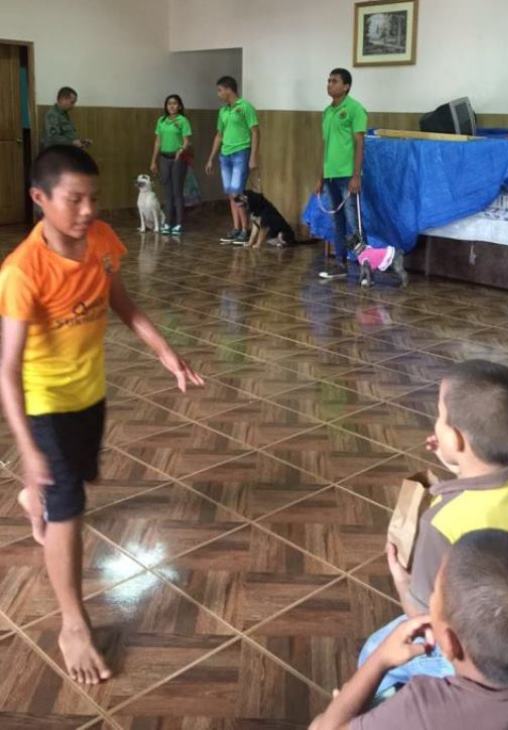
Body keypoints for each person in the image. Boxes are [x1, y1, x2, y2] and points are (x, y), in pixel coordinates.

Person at [0, 145, 204, 685]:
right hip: (45, 404)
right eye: (74, 199)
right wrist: (28, 449)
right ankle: (73, 624)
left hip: (90, 394)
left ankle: (35, 497)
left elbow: (123, 304)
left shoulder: (104, 243)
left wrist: (166, 353)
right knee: (69, 508)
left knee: (78, 481)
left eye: (92, 197)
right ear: (40, 198)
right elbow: (7, 369)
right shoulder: (21, 272)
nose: (88, 210)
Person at [359, 359, 508, 696]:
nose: (436, 422)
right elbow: (486, 482)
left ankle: (389, 709)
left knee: (374, 651)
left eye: (440, 415)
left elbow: (424, 617)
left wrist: (402, 581)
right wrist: (455, 458)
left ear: (457, 438)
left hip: (465, 654)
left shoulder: (441, 522)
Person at [309, 529, 508, 730]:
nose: (431, 595)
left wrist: (382, 658)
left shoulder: (424, 707)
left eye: (435, 592)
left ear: (448, 642)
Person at [316, 68, 368, 280]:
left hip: (347, 175)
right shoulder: (327, 112)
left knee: (353, 222)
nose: (329, 84)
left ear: (346, 86)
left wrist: (356, 175)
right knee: (337, 221)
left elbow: (360, 143)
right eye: (328, 81)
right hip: (330, 174)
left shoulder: (355, 109)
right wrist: (320, 177)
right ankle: (340, 264)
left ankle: (365, 267)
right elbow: (325, 146)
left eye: (334, 81)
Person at [205, 76, 259, 245]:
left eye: (220, 90)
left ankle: (245, 230)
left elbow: (255, 132)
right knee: (230, 193)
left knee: (237, 193)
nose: (218, 94)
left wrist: (253, 156)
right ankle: (236, 228)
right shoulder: (223, 111)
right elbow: (219, 135)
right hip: (225, 154)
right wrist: (211, 158)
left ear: (229, 89)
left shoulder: (245, 107)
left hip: (241, 152)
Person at [150, 94, 192, 236]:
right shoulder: (161, 121)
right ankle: (168, 222)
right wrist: (153, 161)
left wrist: (181, 150)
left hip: (178, 158)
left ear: (179, 106)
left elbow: (186, 141)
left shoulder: (183, 120)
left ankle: (179, 223)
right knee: (167, 192)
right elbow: (158, 142)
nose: (172, 106)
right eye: (169, 103)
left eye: (174, 103)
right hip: (164, 158)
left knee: (177, 192)